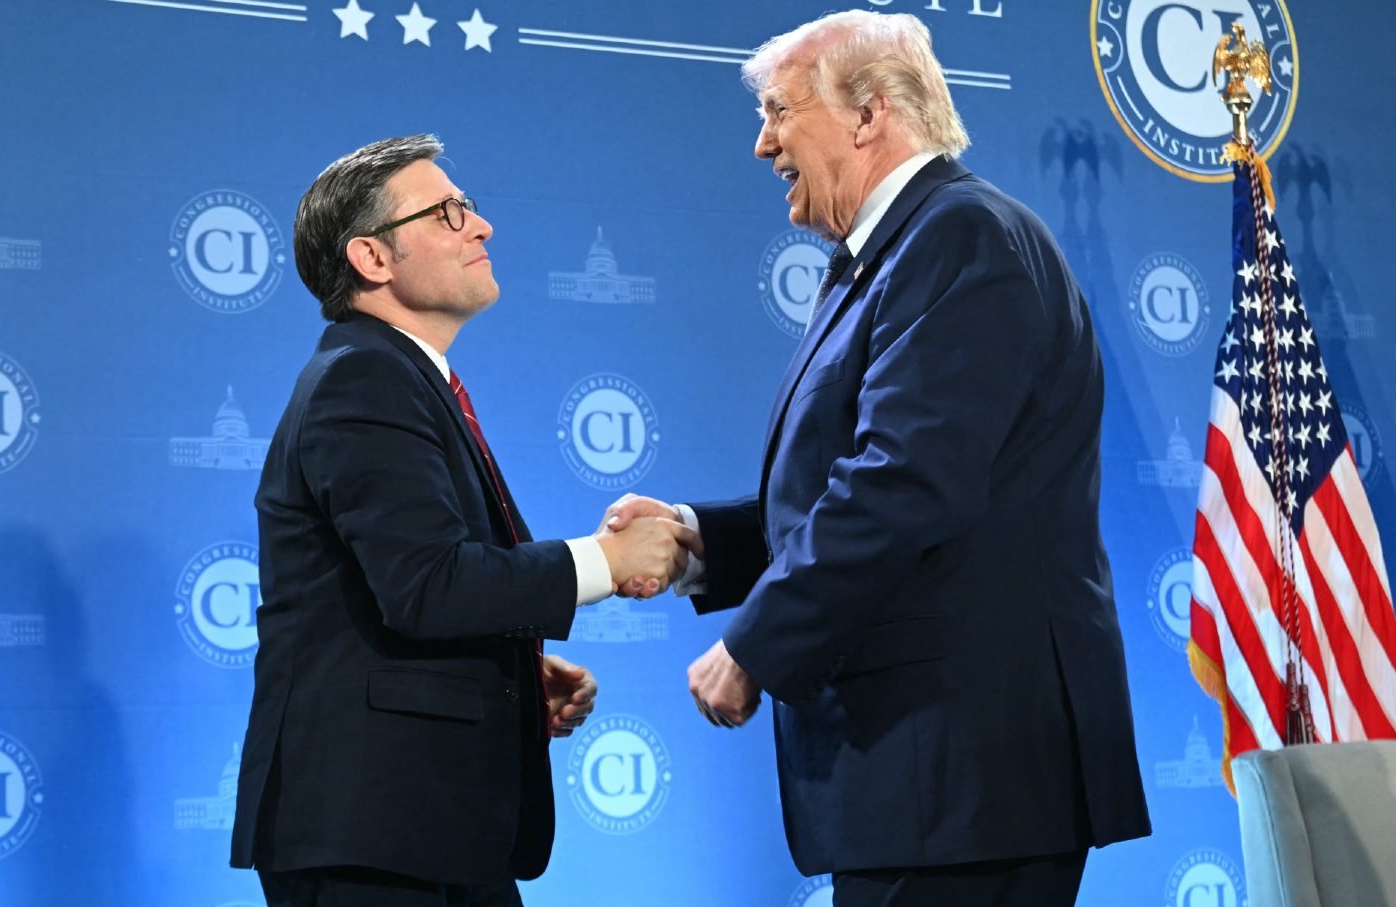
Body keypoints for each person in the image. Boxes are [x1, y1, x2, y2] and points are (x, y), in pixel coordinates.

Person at [605, 11, 1150, 906]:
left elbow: (905, 480)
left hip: (962, 772)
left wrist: (758, 641)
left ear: (867, 113)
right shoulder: (896, 253)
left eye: (779, 112)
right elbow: (860, 473)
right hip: (928, 785)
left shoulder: (961, 236)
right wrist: (706, 540)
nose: (761, 143)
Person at [230, 134, 693, 907]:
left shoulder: (404, 377)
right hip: (373, 838)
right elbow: (429, 583)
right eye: (447, 213)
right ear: (373, 259)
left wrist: (507, 666)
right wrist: (607, 562)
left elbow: (390, 594)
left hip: (428, 828)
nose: (481, 228)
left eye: (470, 208)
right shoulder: (365, 376)